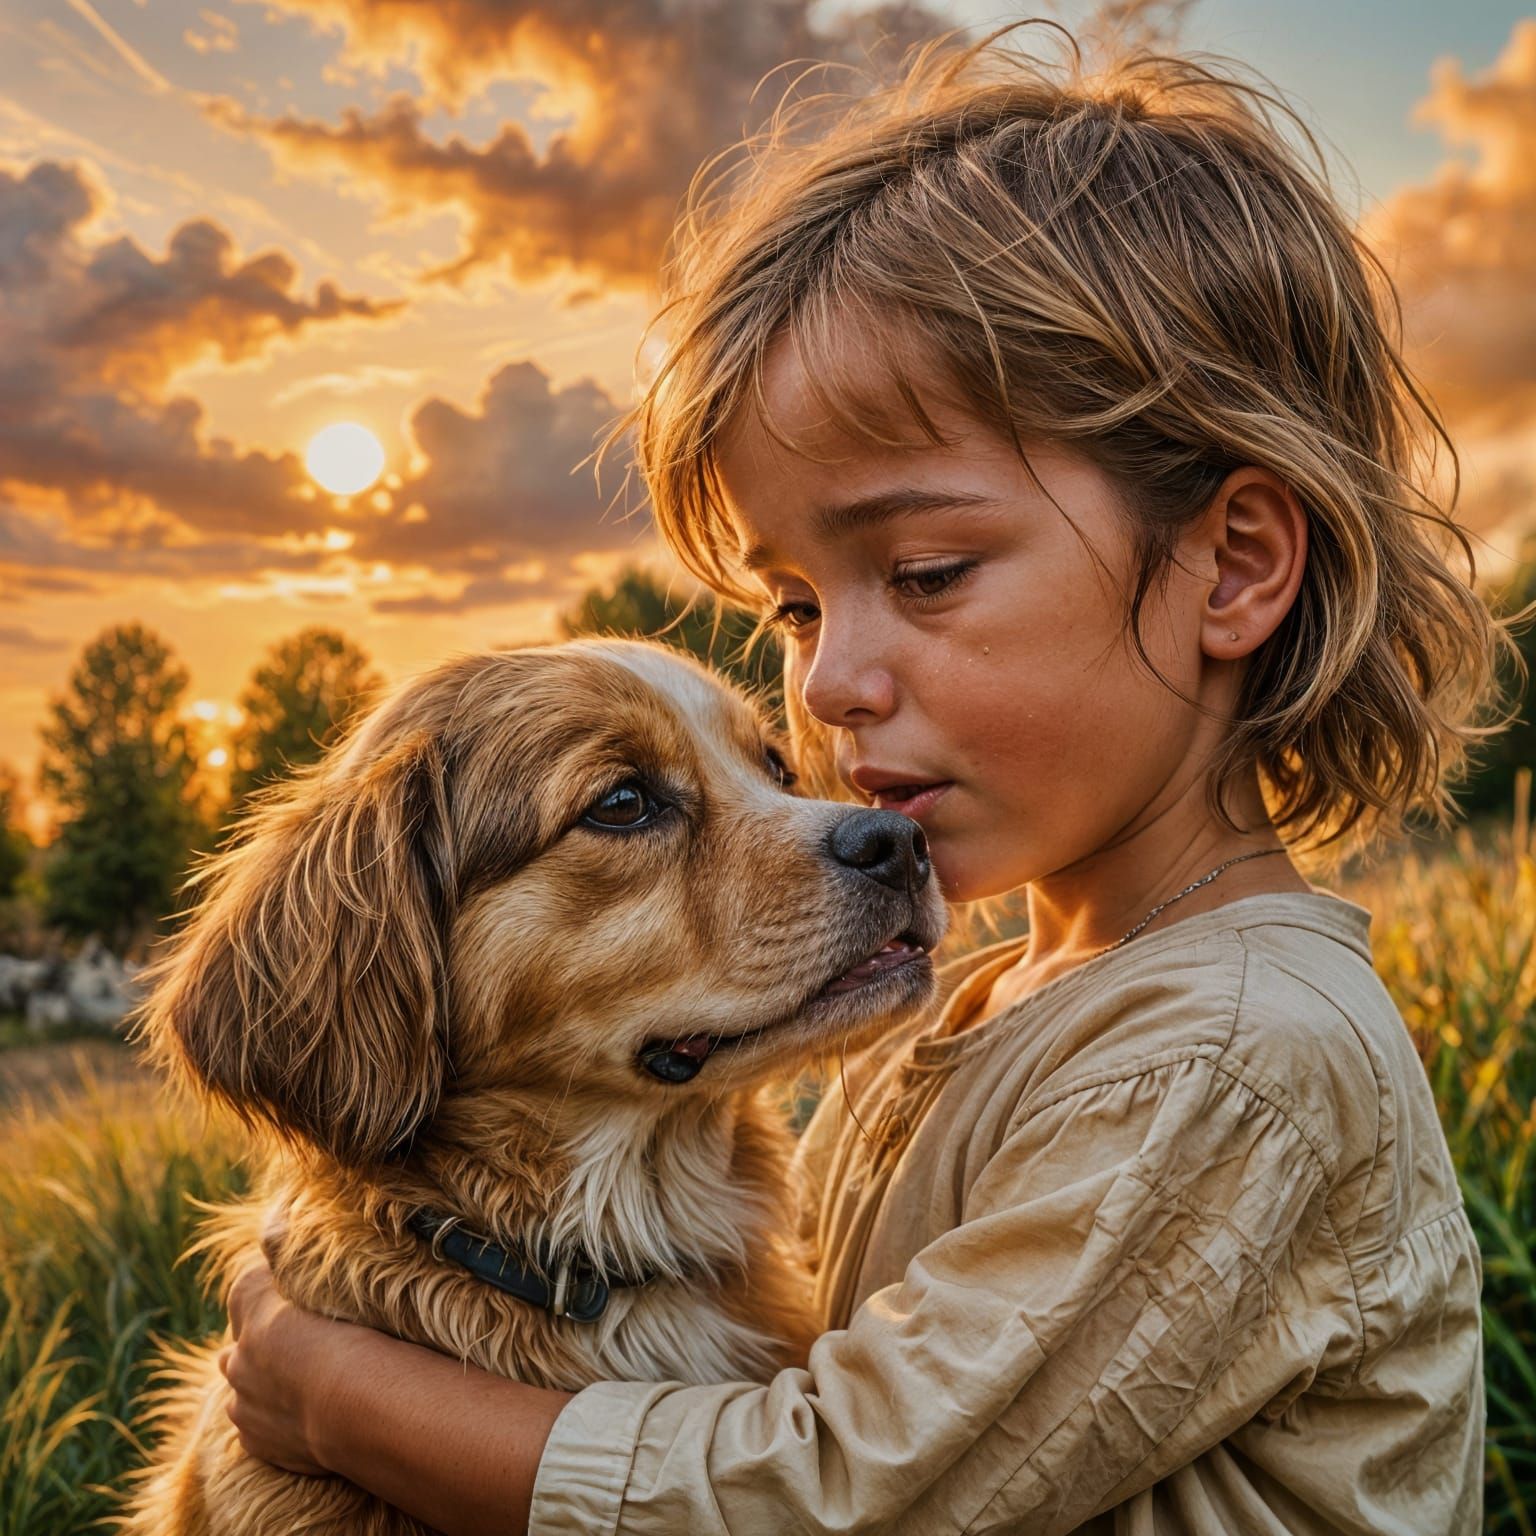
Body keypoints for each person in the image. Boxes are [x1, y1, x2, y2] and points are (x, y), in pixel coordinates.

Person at [214, 20, 1510, 1534]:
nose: (829, 687)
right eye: (799, 606)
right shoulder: (978, 1004)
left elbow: (844, 1494)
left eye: (929, 570)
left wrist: (349, 1401)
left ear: (1233, 568)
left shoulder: (1229, 1053)